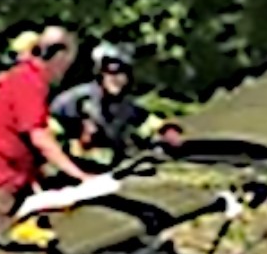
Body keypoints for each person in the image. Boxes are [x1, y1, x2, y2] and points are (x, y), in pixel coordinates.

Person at [0, 26, 91, 245]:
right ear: (59, 55)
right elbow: (39, 136)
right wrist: (81, 176)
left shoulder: (24, 78)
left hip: (10, 177)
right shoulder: (29, 82)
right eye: (68, 62)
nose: (66, 70)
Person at [49, 43, 177, 171]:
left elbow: (147, 122)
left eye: (122, 72)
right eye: (111, 71)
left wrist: (167, 130)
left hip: (107, 172)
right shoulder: (72, 100)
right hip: (68, 171)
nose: (117, 78)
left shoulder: (125, 105)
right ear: (100, 74)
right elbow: (44, 135)